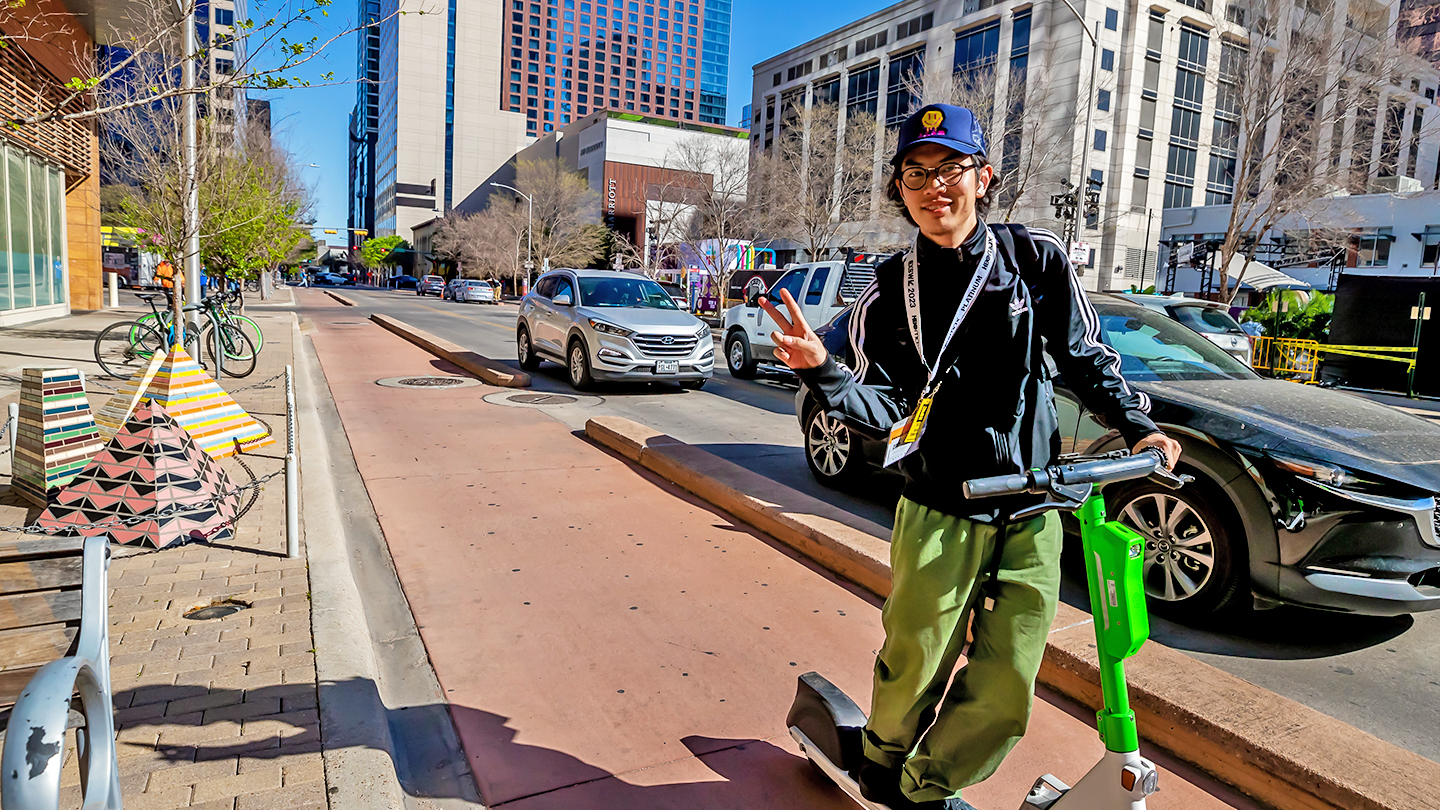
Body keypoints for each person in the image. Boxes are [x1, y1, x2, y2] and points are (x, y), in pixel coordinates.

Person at [760, 104, 1181, 810]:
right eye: (916, 173)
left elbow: (1084, 357)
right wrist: (823, 372)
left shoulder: (1034, 260)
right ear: (900, 189)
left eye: (950, 168)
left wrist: (1138, 427)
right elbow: (886, 411)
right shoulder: (889, 289)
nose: (935, 187)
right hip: (939, 509)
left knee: (1008, 683)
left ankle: (927, 786)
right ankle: (882, 763)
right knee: (914, 664)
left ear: (982, 178)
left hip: (1034, 508)